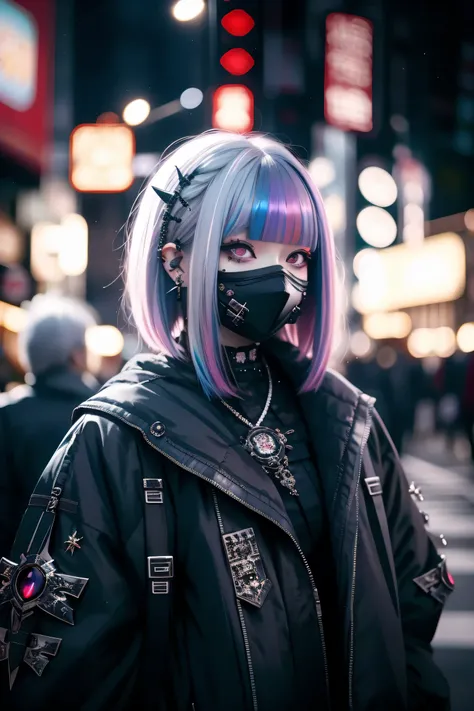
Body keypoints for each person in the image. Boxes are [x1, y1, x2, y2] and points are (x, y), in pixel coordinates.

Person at [0, 133, 453, 711]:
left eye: (295, 256)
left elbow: (411, 618)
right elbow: (72, 673)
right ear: (175, 261)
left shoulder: (348, 420)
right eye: (241, 249)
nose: (279, 277)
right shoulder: (115, 438)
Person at [0, 295, 98, 556]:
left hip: (18, 570)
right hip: (89, 567)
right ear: (77, 356)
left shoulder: (7, 414)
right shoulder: (101, 415)